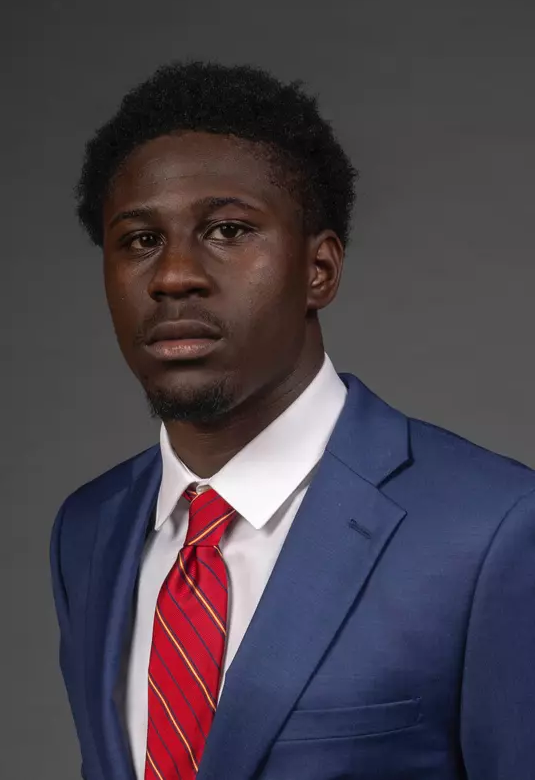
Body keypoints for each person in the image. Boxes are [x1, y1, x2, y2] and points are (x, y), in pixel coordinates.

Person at [49, 60, 535, 780]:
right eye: (140, 240)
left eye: (226, 229)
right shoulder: (88, 529)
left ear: (319, 269)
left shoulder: (494, 532)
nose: (173, 274)